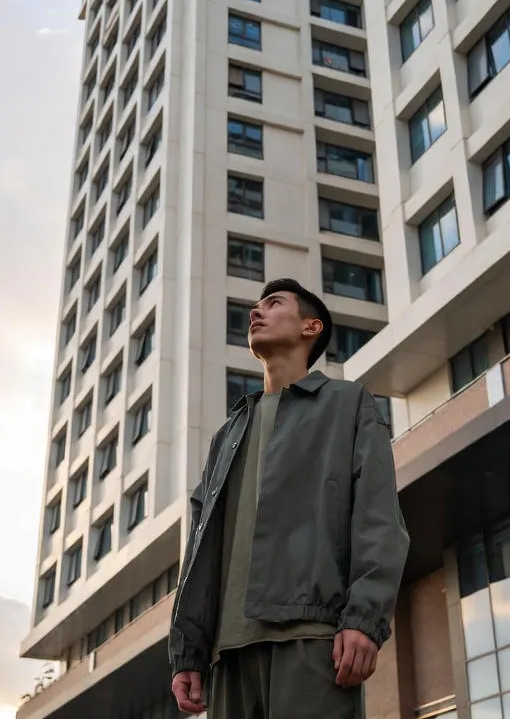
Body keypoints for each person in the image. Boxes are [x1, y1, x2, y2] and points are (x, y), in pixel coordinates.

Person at [168, 278, 410, 718]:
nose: (255, 313)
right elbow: (200, 553)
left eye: (273, 304)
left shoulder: (348, 404)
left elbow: (378, 517)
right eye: (255, 308)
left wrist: (365, 620)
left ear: (310, 327)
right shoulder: (227, 435)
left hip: (311, 640)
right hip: (229, 655)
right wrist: (188, 652)